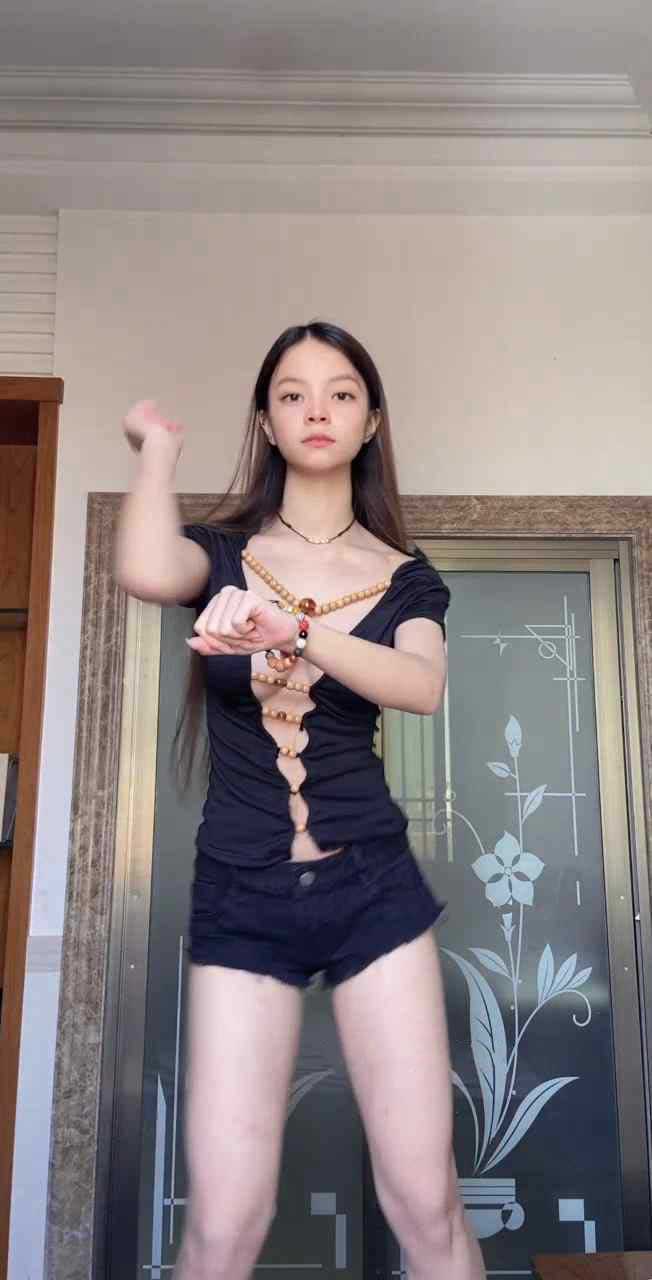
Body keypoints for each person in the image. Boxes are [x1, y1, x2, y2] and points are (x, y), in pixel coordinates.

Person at [114, 320, 485, 1280]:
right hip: (240, 892)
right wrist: (158, 452)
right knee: (225, 1223)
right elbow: (147, 570)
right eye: (292, 394)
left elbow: (421, 686)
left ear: (371, 421)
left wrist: (297, 632)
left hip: (373, 890)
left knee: (428, 1204)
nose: (317, 410)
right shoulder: (223, 555)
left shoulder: (407, 578)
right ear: (267, 422)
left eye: (341, 393)